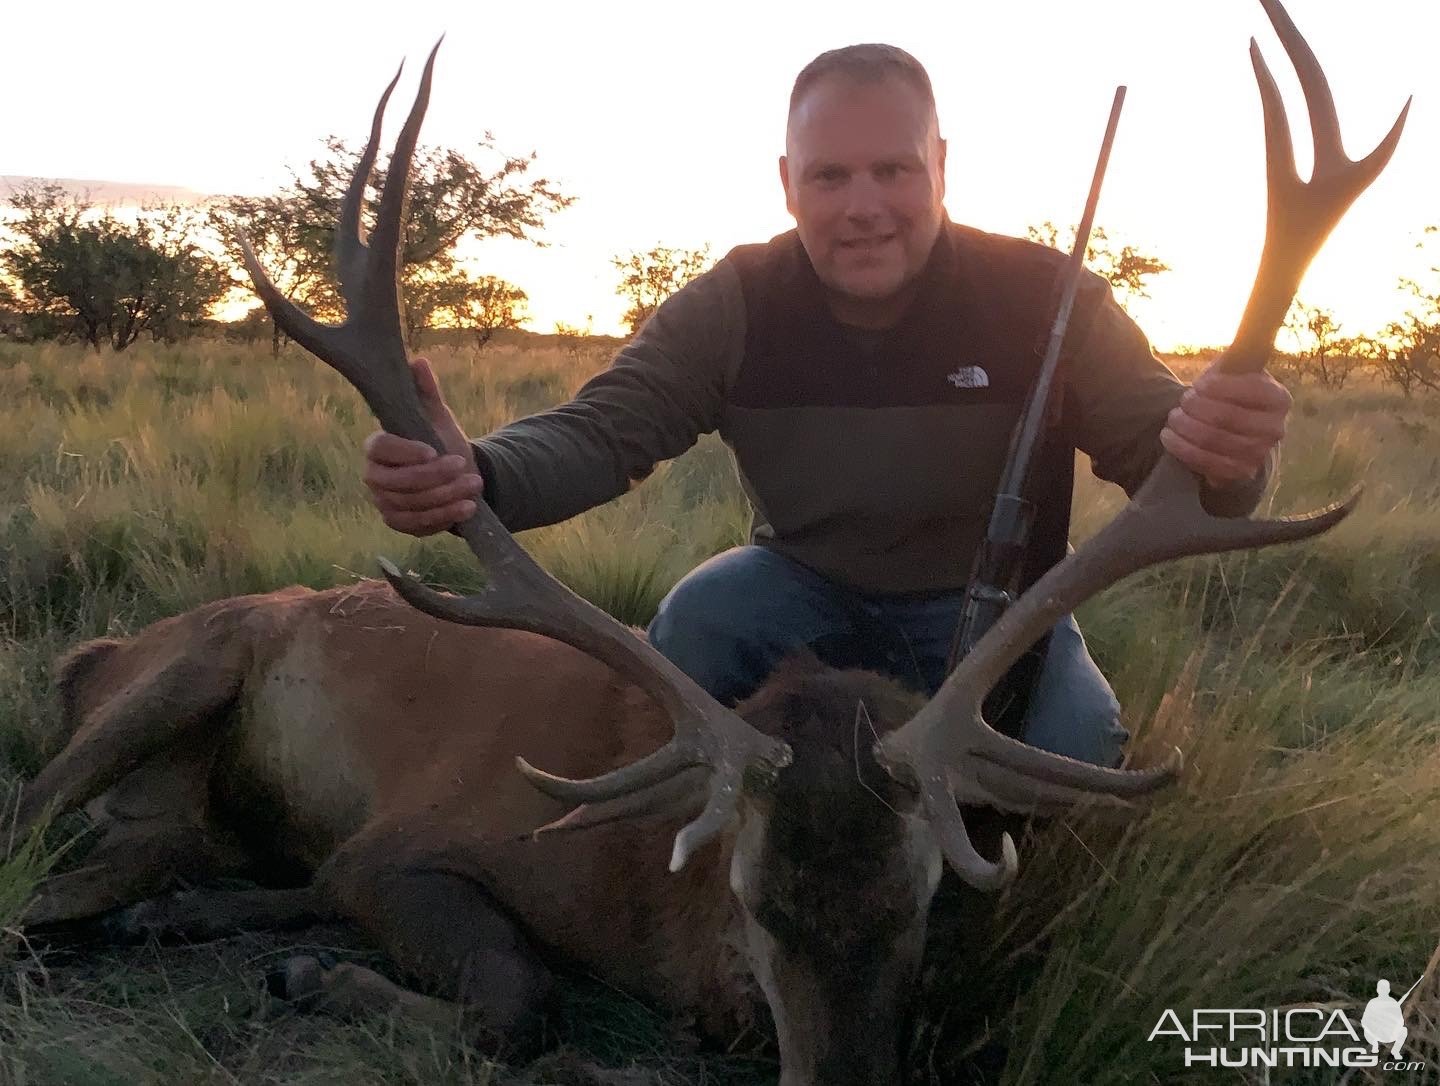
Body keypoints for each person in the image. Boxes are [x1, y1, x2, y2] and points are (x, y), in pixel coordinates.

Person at [360, 44, 1289, 768]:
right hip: (797, 590)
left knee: (1072, 755)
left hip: (1003, 611)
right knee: (692, 633)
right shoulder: (738, 300)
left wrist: (1229, 454)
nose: (863, 207)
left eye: (894, 170)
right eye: (830, 176)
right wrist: (476, 473)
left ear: (942, 166)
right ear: (786, 181)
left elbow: (1176, 462)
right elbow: (606, 430)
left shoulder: (1050, 297)